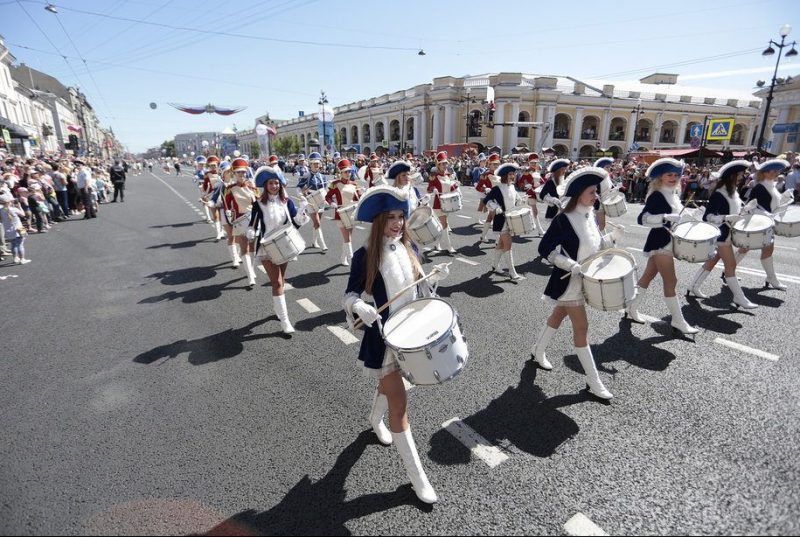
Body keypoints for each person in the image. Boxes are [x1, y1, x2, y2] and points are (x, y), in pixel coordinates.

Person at [342, 185, 449, 504]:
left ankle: (374, 418)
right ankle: (418, 479)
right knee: (400, 407)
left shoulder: (411, 247)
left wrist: (434, 278)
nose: (398, 223)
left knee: (392, 391)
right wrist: (358, 306)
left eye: (401, 217)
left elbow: (419, 290)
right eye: (391, 217)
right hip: (385, 340)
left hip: (413, 336)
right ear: (378, 221)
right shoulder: (364, 256)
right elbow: (348, 295)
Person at [533, 167, 621, 400]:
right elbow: (544, 249)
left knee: (558, 315)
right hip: (569, 282)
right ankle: (594, 381)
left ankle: (537, 350)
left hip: (586, 280)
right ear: (580, 193)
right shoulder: (564, 219)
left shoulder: (589, 215)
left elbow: (594, 245)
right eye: (592, 192)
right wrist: (569, 264)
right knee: (582, 328)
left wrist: (610, 240)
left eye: (596, 192)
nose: (596, 197)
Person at [625, 158, 699, 336]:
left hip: (669, 241)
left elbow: (679, 216)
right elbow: (642, 219)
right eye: (669, 175)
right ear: (660, 177)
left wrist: (695, 215)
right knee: (671, 281)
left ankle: (631, 307)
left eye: (676, 175)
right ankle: (678, 320)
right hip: (660, 242)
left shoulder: (672, 193)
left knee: (648, 275)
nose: (673, 178)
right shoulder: (657, 195)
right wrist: (665, 217)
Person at [247, 166, 309, 333]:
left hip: (284, 244)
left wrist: (302, 210)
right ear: (265, 185)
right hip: (267, 246)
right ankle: (285, 320)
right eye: (271, 183)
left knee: (281, 280)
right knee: (278, 282)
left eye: (276, 183)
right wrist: (251, 232)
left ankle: (277, 308)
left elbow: (295, 223)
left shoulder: (286, 202)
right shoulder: (259, 203)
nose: (274, 186)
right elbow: (253, 223)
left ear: (281, 185)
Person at [687, 160, 756, 308]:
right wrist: (725, 218)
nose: (742, 177)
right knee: (730, 265)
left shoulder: (733, 192)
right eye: (739, 174)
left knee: (713, 260)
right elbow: (708, 216)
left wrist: (747, 209)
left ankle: (693, 286)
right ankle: (739, 297)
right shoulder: (719, 194)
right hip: (721, 235)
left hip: (728, 233)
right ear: (732, 176)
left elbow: (734, 213)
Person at [735, 158, 792, 290]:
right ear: (765, 173)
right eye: (773, 171)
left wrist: (786, 198)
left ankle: (771, 278)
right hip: (759, 223)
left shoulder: (771, 185)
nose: (777, 173)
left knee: (765, 249)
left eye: (777, 171)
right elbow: (751, 205)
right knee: (747, 247)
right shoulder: (760, 186)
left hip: (767, 222)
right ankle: (771, 279)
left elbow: (774, 206)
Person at [482, 162, 526, 280]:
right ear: (505, 175)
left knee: (501, 244)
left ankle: (495, 266)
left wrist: (521, 200)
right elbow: (487, 200)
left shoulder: (512, 187)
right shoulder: (497, 188)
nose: (513, 176)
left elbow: (516, 201)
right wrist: (496, 207)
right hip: (501, 220)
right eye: (511, 174)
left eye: (514, 174)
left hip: (511, 220)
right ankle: (513, 273)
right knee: (508, 245)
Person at [223, 158, 259, 286]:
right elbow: (226, 203)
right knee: (244, 247)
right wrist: (228, 214)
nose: (241, 175)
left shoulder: (251, 187)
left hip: (253, 221)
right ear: (234, 173)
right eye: (239, 173)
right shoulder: (230, 188)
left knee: (253, 247)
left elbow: (258, 203)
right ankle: (250, 276)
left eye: (243, 172)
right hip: (239, 220)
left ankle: (252, 269)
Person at [325, 158, 361, 266]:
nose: (348, 173)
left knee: (348, 238)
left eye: (349, 171)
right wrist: (332, 203)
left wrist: (363, 193)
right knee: (347, 238)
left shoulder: (354, 184)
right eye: (346, 171)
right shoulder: (335, 184)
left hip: (351, 214)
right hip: (340, 214)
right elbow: (328, 197)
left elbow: (358, 199)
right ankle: (352, 259)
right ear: (341, 172)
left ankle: (343, 257)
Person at [427, 151, 460, 253]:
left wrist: (456, 185)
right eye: (443, 164)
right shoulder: (434, 176)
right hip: (438, 204)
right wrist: (433, 189)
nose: (445, 166)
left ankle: (436, 244)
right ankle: (449, 247)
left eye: (446, 163)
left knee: (441, 225)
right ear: (438, 164)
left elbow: (450, 188)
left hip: (448, 203)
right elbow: (429, 189)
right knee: (444, 224)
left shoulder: (448, 175)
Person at [297, 152, 329, 252]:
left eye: (317, 163)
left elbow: (326, 189)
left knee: (317, 223)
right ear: (310, 164)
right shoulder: (306, 176)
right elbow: (299, 188)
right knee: (317, 222)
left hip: (321, 201)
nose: (316, 165)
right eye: (314, 163)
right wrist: (302, 196)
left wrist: (327, 199)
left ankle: (314, 241)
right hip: (310, 200)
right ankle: (322, 243)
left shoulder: (323, 177)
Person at [516, 153, 544, 237]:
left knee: (529, 211)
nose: (533, 164)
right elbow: (520, 183)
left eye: (535, 163)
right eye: (532, 163)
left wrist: (540, 183)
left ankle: (526, 227)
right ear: (529, 163)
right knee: (534, 211)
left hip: (537, 193)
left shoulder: (537, 171)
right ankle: (540, 230)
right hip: (530, 194)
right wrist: (525, 185)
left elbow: (542, 182)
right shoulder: (526, 172)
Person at [0, 192, 30, 264]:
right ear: (9, 202)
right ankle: (22, 259)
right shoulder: (13, 209)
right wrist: (19, 207)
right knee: (20, 244)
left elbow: (1, 220)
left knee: (13, 244)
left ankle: (15, 258)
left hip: (8, 230)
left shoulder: (1, 210)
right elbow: (23, 215)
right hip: (19, 228)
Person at [477, 153, 500, 240]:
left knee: (490, 217)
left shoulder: (500, 174)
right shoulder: (485, 175)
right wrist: (485, 189)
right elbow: (478, 187)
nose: (496, 166)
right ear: (489, 164)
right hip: (490, 200)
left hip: (499, 199)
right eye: (494, 164)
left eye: (497, 164)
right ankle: (498, 240)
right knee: (497, 219)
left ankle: (482, 236)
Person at [541, 158, 571, 226]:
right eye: (563, 169)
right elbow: (542, 195)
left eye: (565, 169)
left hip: (564, 212)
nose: (565, 171)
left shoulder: (565, 181)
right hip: (553, 211)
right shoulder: (550, 182)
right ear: (557, 171)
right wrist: (552, 199)